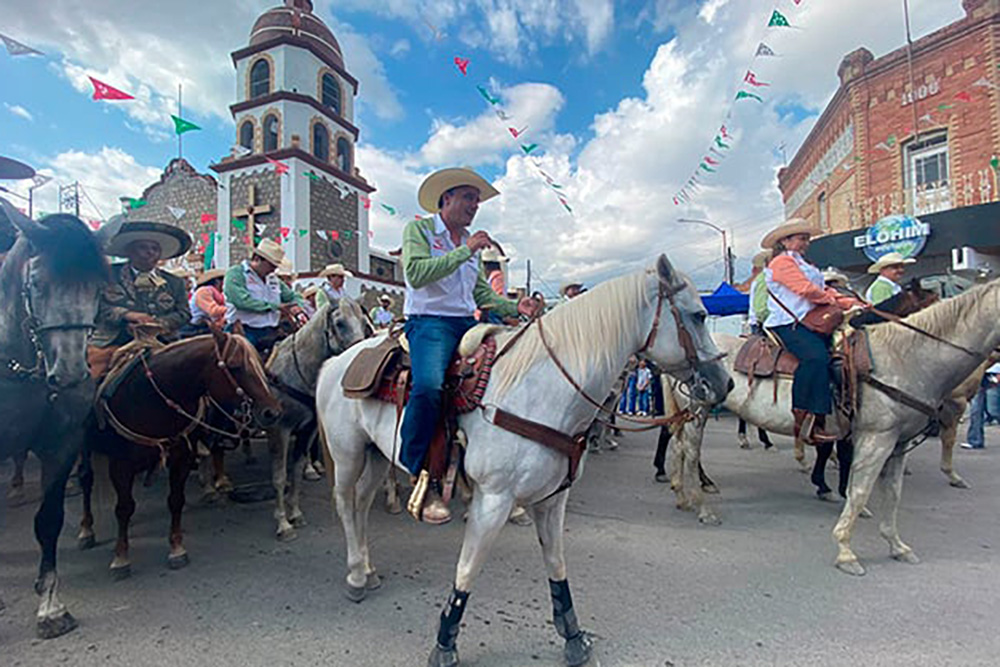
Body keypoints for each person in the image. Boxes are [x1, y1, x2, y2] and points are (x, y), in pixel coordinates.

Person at [400, 166, 541, 524]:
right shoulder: (419, 230)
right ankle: (417, 468)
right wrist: (467, 251)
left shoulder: (468, 246)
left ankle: (495, 474)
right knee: (429, 386)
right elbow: (416, 273)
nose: (474, 206)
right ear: (445, 199)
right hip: (429, 322)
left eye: (476, 201)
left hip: (466, 322)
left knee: (507, 377)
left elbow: (479, 293)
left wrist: (515, 307)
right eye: (468, 198)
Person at [762, 219, 863, 444]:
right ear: (785, 241)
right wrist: (832, 300)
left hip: (810, 321)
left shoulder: (804, 263)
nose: (805, 242)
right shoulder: (781, 263)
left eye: (807, 238)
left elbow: (824, 288)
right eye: (800, 238)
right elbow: (805, 289)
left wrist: (850, 302)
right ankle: (805, 419)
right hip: (788, 322)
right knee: (816, 357)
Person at [89, 220, 193, 377]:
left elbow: (184, 313)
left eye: (155, 248)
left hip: (162, 343)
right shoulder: (107, 274)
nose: (150, 252)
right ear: (130, 251)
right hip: (112, 342)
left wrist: (157, 324)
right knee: (89, 382)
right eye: (143, 247)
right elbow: (95, 306)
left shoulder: (174, 282)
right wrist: (127, 315)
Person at [223, 238, 306, 354]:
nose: (274, 270)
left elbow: (292, 296)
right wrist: (276, 307)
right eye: (272, 266)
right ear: (257, 259)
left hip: (272, 330)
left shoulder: (273, 279)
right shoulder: (236, 273)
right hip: (244, 330)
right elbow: (241, 301)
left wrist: (297, 306)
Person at [180, 268, 227, 337]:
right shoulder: (203, 291)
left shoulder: (218, 294)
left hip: (206, 326)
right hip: (196, 328)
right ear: (217, 282)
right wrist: (231, 309)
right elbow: (213, 311)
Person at [747, 250, 770, 334]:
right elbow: (761, 310)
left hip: (758, 323)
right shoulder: (765, 279)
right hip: (762, 325)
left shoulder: (761, 278)